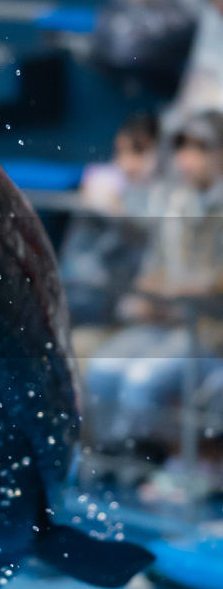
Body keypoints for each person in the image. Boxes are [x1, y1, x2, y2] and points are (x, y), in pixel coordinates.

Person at [84, 110, 223, 454]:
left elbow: (211, 285)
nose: (187, 158)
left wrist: (179, 291)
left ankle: (143, 466)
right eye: (182, 147)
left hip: (208, 333)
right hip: (165, 323)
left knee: (142, 380)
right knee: (101, 370)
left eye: (200, 147)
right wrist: (155, 293)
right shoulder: (176, 203)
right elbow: (154, 272)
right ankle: (110, 466)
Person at [60, 112, 159, 329]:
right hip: (86, 295)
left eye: (138, 151)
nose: (126, 163)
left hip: (139, 305)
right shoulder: (106, 183)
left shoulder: (169, 193)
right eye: (120, 152)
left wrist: (120, 213)